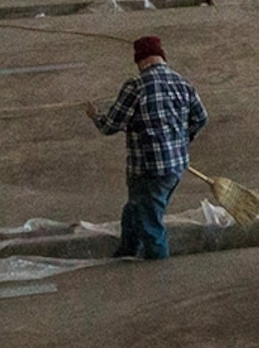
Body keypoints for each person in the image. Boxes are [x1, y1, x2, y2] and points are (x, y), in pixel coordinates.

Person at [87, 35, 205, 260]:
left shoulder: (136, 86)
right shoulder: (182, 83)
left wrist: (95, 115)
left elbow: (110, 126)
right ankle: (126, 252)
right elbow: (201, 118)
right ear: (162, 57)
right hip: (175, 167)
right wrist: (178, 141)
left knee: (150, 222)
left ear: (140, 61)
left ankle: (157, 267)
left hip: (147, 170)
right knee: (134, 210)